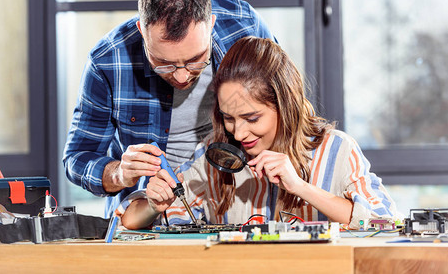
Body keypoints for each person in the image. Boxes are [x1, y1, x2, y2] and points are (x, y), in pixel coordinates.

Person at [118, 36, 398, 230]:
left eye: (252, 118)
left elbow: (384, 222)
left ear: (284, 106)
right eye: (229, 118)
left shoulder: (337, 150)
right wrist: (154, 205)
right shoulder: (214, 154)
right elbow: (127, 221)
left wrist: (301, 188)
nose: (239, 132)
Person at [63, 0, 275, 218]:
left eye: (197, 61)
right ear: (142, 30)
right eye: (164, 63)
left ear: (212, 24)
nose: (183, 77)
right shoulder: (107, 61)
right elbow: (77, 159)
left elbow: (281, 104)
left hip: (233, 203)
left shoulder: (245, 26)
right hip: (145, 214)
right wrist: (119, 173)